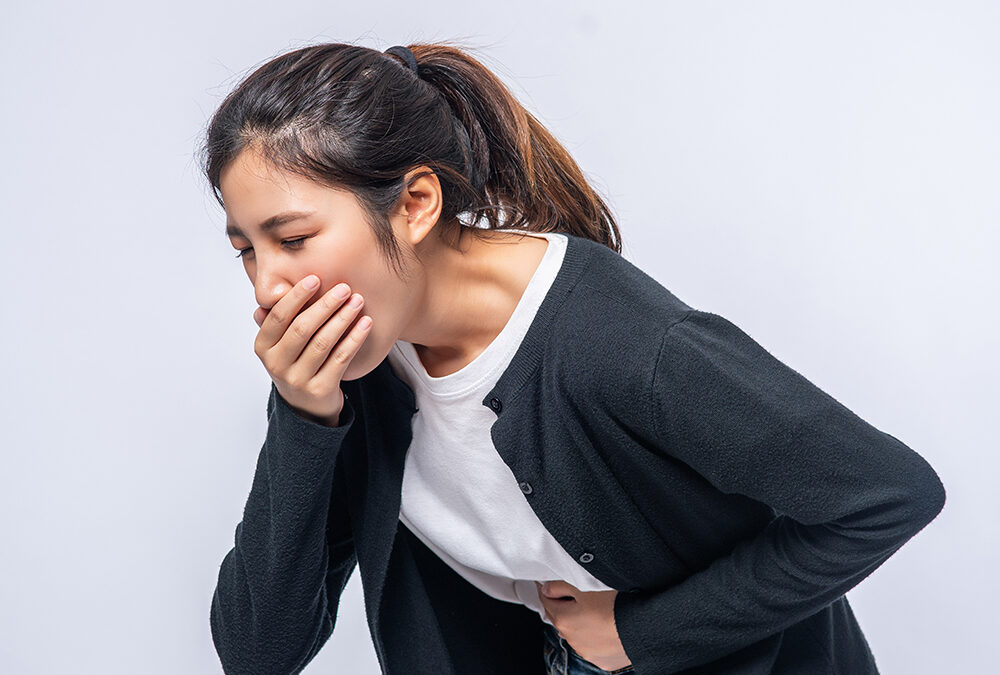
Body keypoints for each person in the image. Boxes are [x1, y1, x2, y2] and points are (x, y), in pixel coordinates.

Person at [202, 42, 946, 675]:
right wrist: (303, 416)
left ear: (417, 203)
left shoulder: (616, 342)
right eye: (246, 249)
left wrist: (641, 632)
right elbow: (259, 651)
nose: (268, 284)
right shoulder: (350, 364)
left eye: (293, 238)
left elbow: (887, 494)